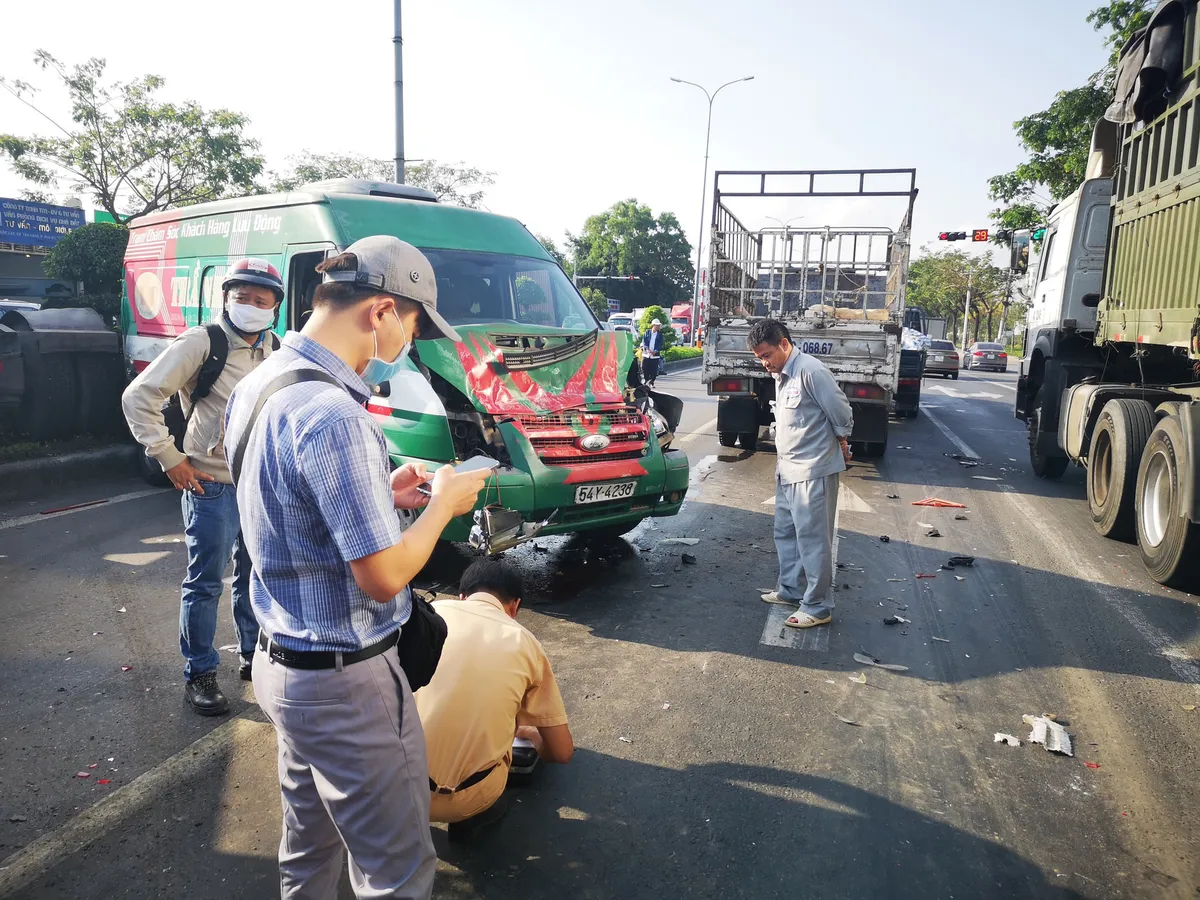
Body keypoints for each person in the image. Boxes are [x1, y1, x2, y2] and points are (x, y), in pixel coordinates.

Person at [224, 235, 489, 898]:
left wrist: (383, 493)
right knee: (395, 871)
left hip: (280, 661)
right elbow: (383, 576)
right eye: (415, 323)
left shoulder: (260, 383)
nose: (412, 340)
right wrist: (443, 505)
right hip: (345, 685)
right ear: (380, 311)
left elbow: (287, 505)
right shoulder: (336, 413)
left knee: (307, 851)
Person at [121, 257, 283, 716]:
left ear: (275, 306)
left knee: (256, 577)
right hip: (210, 484)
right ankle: (201, 672)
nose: (251, 306)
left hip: (261, 485)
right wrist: (170, 459)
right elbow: (139, 397)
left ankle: (254, 656)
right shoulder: (203, 342)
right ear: (226, 298)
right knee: (206, 583)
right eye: (242, 297)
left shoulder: (278, 349)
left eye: (261, 299)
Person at [416, 558, 573, 842]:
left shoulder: (428, 615)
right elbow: (562, 752)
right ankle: (470, 821)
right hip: (468, 797)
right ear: (514, 607)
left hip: (391, 790)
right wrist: (532, 735)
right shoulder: (525, 643)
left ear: (462, 596)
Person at [749, 319, 853, 629]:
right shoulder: (783, 375)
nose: (764, 364)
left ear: (784, 344)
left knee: (813, 540)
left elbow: (841, 411)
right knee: (786, 533)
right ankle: (791, 590)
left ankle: (818, 605)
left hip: (813, 469)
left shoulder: (811, 371)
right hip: (788, 469)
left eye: (766, 355)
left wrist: (843, 438)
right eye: (759, 359)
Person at [642, 319, 664, 387]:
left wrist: (655, 351)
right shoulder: (647, 332)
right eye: (657, 325)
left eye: (659, 325)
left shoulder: (660, 335)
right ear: (653, 325)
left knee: (654, 369)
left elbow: (660, 344)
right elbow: (644, 341)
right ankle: (646, 379)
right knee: (644, 367)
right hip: (646, 354)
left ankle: (651, 382)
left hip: (655, 355)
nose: (658, 327)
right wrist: (647, 349)